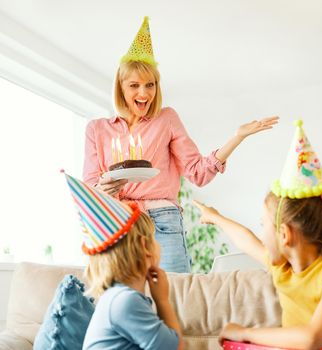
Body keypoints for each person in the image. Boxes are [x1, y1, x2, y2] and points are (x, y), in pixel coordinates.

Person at [83, 16, 279, 273]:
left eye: (150, 85)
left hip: (163, 220)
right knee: (123, 297)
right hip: (118, 220)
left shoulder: (167, 119)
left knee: (176, 295)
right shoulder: (97, 129)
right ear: (120, 88)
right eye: (134, 86)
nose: (144, 93)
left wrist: (237, 137)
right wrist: (105, 188)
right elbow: (90, 188)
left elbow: (198, 173)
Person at [194, 120, 322, 349]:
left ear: (284, 234)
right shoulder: (283, 267)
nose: (262, 236)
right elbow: (246, 240)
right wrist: (215, 217)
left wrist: (246, 333)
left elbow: (313, 339)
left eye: (264, 226)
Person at [62, 172, 183, 350]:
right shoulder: (125, 302)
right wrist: (162, 300)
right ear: (145, 247)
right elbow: (176, 348)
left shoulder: (121, 298)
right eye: (153, 237)